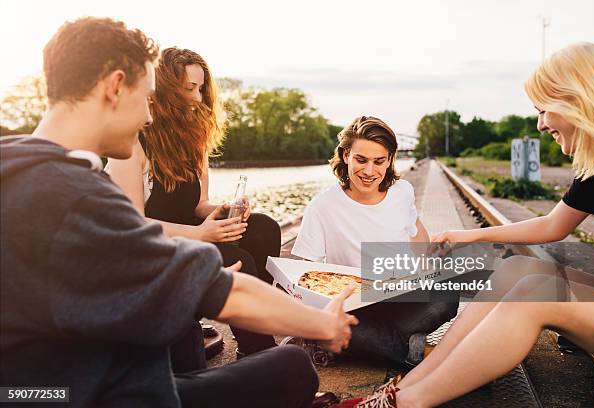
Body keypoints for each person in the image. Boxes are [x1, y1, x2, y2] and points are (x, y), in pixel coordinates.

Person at [0, 17, 358, 408]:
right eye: (146, 98)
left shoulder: (17, 169)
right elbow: (227, 293)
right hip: (104, 394)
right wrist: (323, 323)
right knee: (293, 366)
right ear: (115, 87)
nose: (149, 116)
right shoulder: (76, 198)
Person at [335, 42, 594, 408]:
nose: (540, 124)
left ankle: (404, 404)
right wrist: (471, 235)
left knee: (534, 295)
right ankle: (407, 386)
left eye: (544, 109)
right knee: (518, 269)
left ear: (578, 100)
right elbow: (553, 226)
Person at [106, 47, 278, 369]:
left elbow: (199, 204)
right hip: (152, 251)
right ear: (166, 90)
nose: (198, 98)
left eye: (201, 88)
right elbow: (132, 224)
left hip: (194, 235)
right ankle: (264, 355)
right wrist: (202, 234)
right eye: (189, 89)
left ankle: (252, 334)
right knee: (238, 259)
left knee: (263, 227)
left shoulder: (194, 139)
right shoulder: (132, 143)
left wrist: (224, 211)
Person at [292, 116, 459, 367]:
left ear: (390, 159)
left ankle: (362, 346)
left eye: (379, 161)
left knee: (447, 294)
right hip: (357, 308)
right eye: (361, 160)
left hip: (401, 298)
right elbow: (305, 271)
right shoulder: (322, 205)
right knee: (345, 329)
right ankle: (422, 352)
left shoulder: (402, 192)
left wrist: (432, 266)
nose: (369, 171)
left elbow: (417, 235)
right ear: (346, 155)